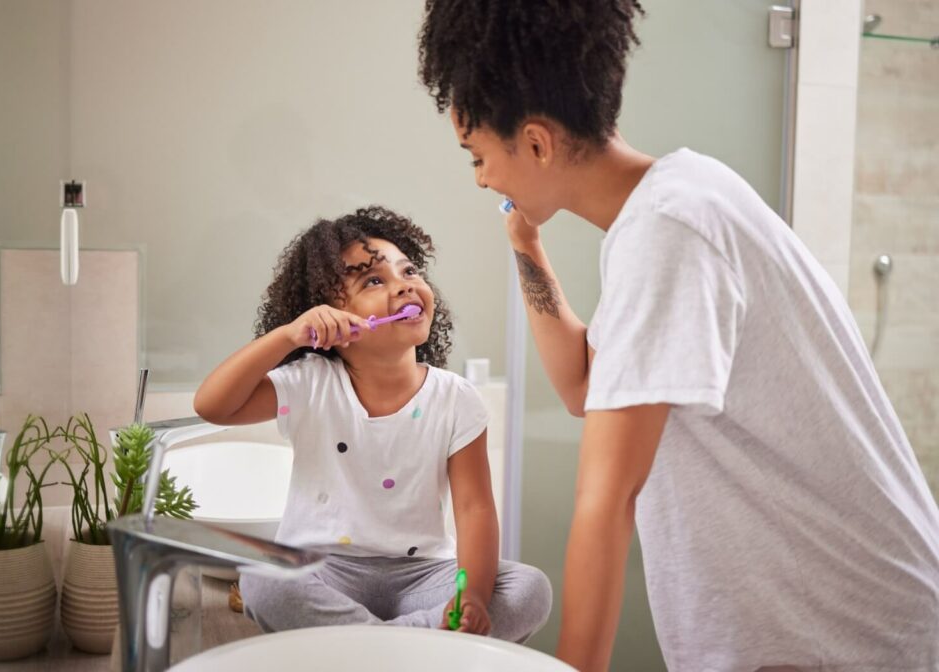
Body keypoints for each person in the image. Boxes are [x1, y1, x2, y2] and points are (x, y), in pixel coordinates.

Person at [417, 1, 939, 670]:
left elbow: (606, 498)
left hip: (844, 630)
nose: (483, 178)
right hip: (833, 618)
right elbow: (583, 383)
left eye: (478, 156)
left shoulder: (669, 233)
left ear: (538, 143)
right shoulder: (677, 201)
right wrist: (526, 243)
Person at [194, 206, 551, 642]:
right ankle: (409, 647)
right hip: (323, 569)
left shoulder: (456, 398)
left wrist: (470, 593)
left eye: (409, 270)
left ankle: (367, 647)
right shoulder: (310, 383)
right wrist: (287, 336)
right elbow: (213, 405)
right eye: (374, 280)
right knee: (262, 581)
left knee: (529, 588)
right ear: (329, 313)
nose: (404, 285)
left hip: (423, 576)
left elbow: (475, 509)